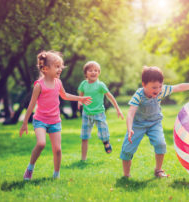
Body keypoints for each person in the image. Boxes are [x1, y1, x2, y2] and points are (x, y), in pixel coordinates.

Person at [120, 66, 189, 178]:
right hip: (137, 125)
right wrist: (130, 128)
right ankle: (126, 175)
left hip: (154, 123)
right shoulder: (139, 95)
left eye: (160, 86)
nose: (158, 90)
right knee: (127, 149)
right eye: (154, 87)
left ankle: (158, 170)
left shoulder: (162, 90)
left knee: (161, 144)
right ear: (144, 84)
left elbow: (179, 87)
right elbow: (131, 113)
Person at [19, 51, 92, 180]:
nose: (60, 69)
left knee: (57, 150)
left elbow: (65, 95)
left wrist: (80, 99)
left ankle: (56, 175)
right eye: (57, 66)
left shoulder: (58, 83)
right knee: (41, 143)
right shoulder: (39, 85)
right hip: (40, 120)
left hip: (55, 121)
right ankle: (30, 168)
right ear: (46, 69)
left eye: (61, 66)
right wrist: (25, 123)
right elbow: (31, 104)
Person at [77, 61, 124, 161]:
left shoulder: (100, 85)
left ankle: (106, 142)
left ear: (99, 73)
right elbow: (81, 95)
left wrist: (118, 109)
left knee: (104, 134)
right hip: (86, 114)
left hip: (99, 113)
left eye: (96, 70)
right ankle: (83, 159)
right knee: (84, 137)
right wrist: (79, 102)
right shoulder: (83, 84)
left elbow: (110, 97)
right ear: (86, 73)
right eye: (90, 70)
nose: (93, 72)